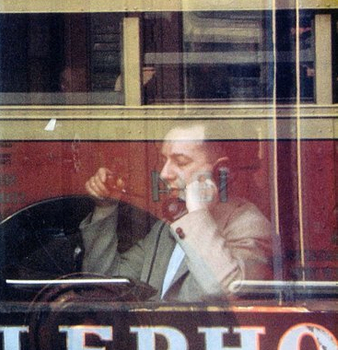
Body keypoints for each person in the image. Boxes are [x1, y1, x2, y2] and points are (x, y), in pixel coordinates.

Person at [80, 122, 273, 301]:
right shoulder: (168, 228)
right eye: (164, 160)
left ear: (222, 171)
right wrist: (105, 208)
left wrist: (198, 214)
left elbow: (224, 289)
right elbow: (107, 284)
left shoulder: (249, 225)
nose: (165, 174)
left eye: (181, 162)